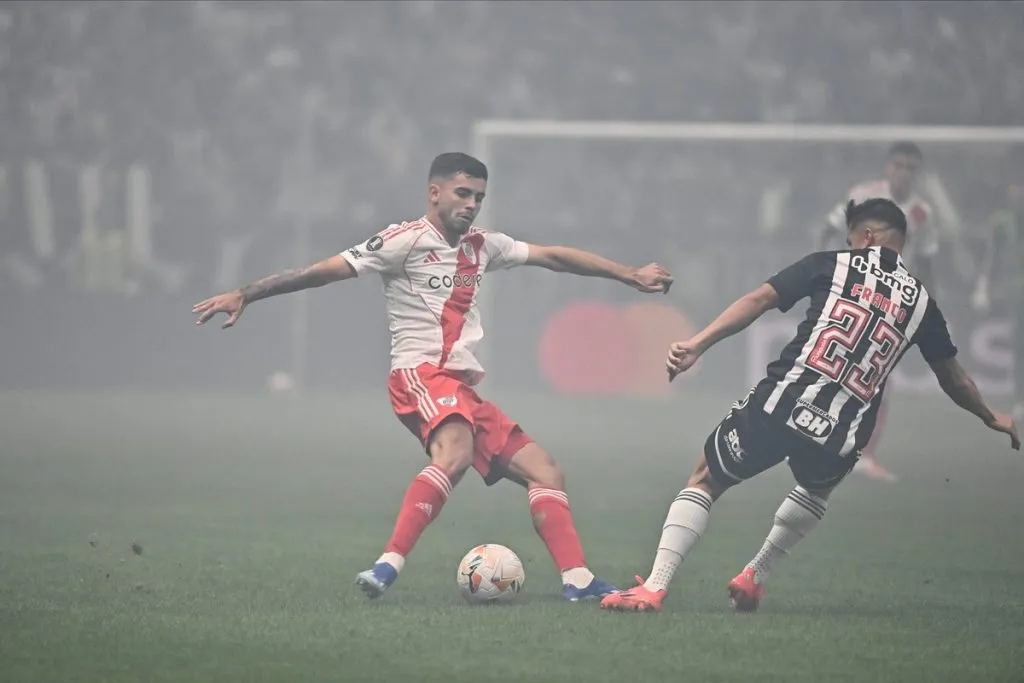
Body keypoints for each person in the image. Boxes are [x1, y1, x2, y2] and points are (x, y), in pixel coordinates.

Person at [192, 152, 674, 602]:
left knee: (546, 471)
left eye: (479, 197)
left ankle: (578, 580)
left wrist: (628, 274)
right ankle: (387, 566)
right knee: (457, 453)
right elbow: (322, 271)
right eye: (463, 193)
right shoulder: (402, 240)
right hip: (418, 375)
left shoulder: (484, 245)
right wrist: (247, 293)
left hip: (459, 389)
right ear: (435, 193)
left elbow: (555, 256)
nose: (472, 204)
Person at [600, 198, 1019, 614]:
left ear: (867, 236)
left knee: (705, 478)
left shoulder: (832, 263)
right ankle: (755, 575)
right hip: (845, 428)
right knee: (817, 489)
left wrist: (698, 343)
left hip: (785, 400)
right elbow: (954, 377)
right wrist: (990, 416)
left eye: (852, 237)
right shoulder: (923, 303)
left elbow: (758, 299)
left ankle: (654, 587)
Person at [815, 141, 938, 482]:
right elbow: (828, 228)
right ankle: (817, 437)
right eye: (898, 165)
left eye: (910, 168)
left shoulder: (922, 214)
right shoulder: (864, 195)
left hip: (891, 304)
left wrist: (927, 307)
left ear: (917, 174)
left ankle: (864, 455)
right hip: (853, 295)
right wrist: (822, 270)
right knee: (832, 367)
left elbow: (926, 262)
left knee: (878, 379)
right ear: (887, 167)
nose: (903, 173)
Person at [972, 182, 1024, 423]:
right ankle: (1020, 400)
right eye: (1017, 187)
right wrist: (983, 288)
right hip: (1017, 294)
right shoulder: (1002, 223)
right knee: (1020, 347)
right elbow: (992, 256)